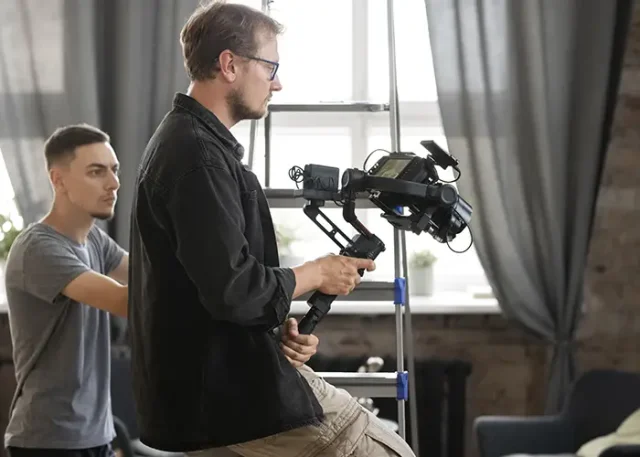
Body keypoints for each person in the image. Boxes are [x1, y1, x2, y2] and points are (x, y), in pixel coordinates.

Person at [128, 2, 416, 457]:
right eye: (270, 67)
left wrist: (274, 332)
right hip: (230, 400)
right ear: (229, 65)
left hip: (210, 395)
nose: (277, 83)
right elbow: (235, 289)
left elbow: (210, 290)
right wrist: (318, 273)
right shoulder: (197, 157)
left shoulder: (189, 145)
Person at [3, 124, 128, 457]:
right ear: (58, 180)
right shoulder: (37, 248)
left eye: (114, 170)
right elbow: (127, 301)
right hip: (48, 441)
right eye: (96, 172)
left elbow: (149, 275)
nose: (114, 183)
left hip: (96, 436)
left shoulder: (95, 239)